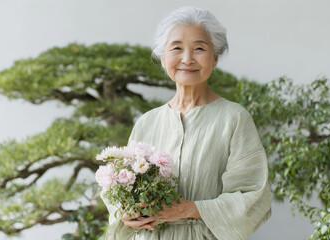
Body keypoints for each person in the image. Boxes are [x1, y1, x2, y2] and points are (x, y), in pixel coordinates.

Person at [102, 6, 272, 240]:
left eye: (199, 48)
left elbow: (253, 195)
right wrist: (125, 213)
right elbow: (121, 193)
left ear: (214, 59)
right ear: (163, 59)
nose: (187, 59)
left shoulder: (234, 118)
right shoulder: (147, 122)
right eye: (177, 48)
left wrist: (191, 209)